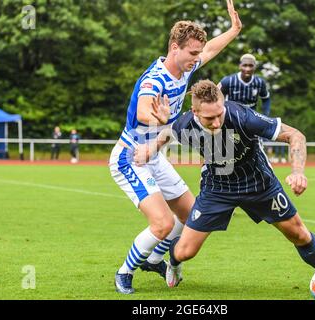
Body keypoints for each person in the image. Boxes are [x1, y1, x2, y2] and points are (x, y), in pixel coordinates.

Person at [134, 79, 315, 293]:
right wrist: (150, 148)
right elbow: (167, 132)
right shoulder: (185, 124)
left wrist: (297, 172)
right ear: (195, 112)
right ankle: (173, 264)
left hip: (259, 184)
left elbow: (295, 135)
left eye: (219, 114)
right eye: (209, 118)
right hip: (217, 189)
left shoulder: (243, 117)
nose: (216, 122)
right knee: (186, 251)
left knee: (299, 233)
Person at [110, 0, 242, 294]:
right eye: (192, 53)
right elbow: (145, 106)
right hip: (131, 157)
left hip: (154, 154)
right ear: (174, 47)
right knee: (162, 224)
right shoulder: (155, 79)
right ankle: (124, 273)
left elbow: (210, 50)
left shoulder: (184, 68)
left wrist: (233, 30)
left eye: (197, 53)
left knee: (191, 215)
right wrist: (153, 116)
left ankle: (155, 259)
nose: (197, 58)